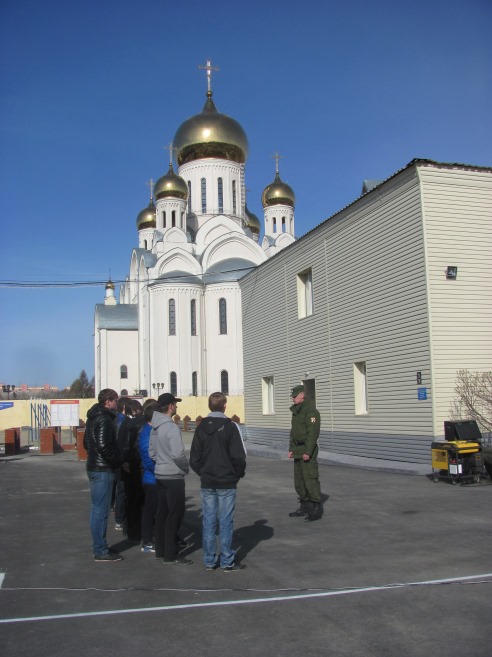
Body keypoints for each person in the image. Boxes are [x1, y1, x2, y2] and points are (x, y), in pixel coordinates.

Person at [190, 392, 247, 571]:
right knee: (225, 521)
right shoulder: (230, 427)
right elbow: (239, 456)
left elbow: (194, 457)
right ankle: (226, 560)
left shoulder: (200, 427)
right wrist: (237, 474)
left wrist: (203, 472)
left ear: (209, 406)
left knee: (209, 521)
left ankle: (209, 560)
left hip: (208, 480)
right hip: (226, 481)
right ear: (224, 406)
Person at [149, 393, 192, 566]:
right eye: (175, 404)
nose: (176, 406)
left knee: (162, 513)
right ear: (170, 406)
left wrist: (161, 462)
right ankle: (170, 554)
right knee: (175, 515)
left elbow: (151, 452)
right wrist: (185, 467)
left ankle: (160, 551)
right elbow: (178, 454)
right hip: (173, 476)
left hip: (160, 474)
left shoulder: (155, 427)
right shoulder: (171, 427)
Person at [83, 388, 124, 561]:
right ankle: (100, 550)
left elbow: (86, 443)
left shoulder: (92, 417)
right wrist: (118, 460)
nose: (117, 404)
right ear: (108, 402)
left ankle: (98, 546)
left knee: (96, 509)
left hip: (94, 466)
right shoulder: (105, 419)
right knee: (101, 511)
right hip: (103, 469)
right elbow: (104, 446)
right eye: (115, 400)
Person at [288, 384, 323, 521]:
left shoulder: (310, 411)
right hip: (298, 449)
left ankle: (316, 507)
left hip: (307, 449)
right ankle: (305, 505)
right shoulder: (297, 411)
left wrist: (308, 451)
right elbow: (293, 432)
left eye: (295, 396)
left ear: (302, 396)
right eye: (292, 396)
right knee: (299, 480)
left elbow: (312, 434)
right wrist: (291, 449)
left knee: (310, 478)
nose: (293, 398)